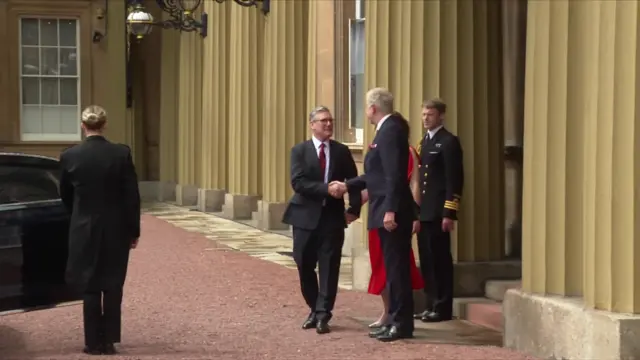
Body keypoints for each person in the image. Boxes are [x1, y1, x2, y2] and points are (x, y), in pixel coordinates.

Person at [330, 88, 416, 342]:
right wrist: (348, 185)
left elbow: (394, 175)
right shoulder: (387, 130)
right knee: (391, 268)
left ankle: (401, 323)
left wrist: (390, 209)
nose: (365, 112)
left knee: (397, 269)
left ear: (372, 108)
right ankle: (395, 319)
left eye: (366, 107)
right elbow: (377, 175)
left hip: (392, 210)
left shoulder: (390, 131)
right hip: (384, 206)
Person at [59, 105, 141, 355]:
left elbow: (65, 195)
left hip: (84, 226)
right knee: (113, 282)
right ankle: (109, 339)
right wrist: (133, 230)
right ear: (104, 125)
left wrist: (77, 215)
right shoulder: (121, 153)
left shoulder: (70, 156)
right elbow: (131, 196)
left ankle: (93, 341)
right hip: (116, 227)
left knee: (90, 283)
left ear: (83, 126)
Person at [282, 106, 362, 335]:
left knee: (329, 266)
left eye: (330, 120)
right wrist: (327, 189)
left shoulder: (341, 151)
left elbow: (354, 180)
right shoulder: (299, 151)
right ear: (312, 124)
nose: (328, 124)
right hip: (304, 217)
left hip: (332, 218)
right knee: (304, 263)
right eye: (323, 120)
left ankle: (323, 314)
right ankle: (314, 307)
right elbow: (298, 183)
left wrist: (354, 208)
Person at [364, 127, 424, 329]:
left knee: (397, 267)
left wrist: (416, 215)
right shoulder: (380, 151)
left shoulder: (408, 153)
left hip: (396, 214)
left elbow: (414, 184)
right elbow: (372, 183)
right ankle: (387, 310)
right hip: (377, 214)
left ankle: (397, 314)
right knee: (379, 264)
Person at [413, 98, 464, 323]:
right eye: (424, 115)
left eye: (430, 115)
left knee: (441, 260)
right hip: (424, 211)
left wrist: (449, 212)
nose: (426, 119)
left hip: (438, 211)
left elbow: (454, 180)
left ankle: (443, 306)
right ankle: (431, 303)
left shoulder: (449, 141)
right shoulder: (423, 142)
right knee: (427, 259)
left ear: (441, 116)